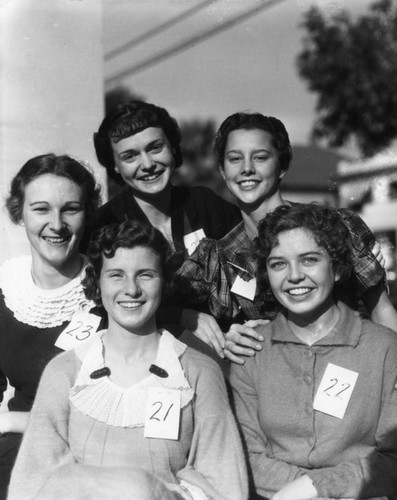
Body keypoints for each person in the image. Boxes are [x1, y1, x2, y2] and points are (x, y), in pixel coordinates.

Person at [8, 221, 248, 500]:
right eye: (116, 275)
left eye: (145, 275)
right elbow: (33, 481)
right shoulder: (64, 372)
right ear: (97, 282)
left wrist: (150, 492)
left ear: (165, 281)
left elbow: (224, 482)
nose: (131, 289)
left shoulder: (198, 372)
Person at [174, 112, 396, 363]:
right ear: (223, 172)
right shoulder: (218, 257)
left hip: (350, 370)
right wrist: (218, 331)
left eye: (260, 157)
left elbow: (382, 310)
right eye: (235, 159)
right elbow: (157, 307)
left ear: (282, 167)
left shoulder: (337, 227)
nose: (246, 168)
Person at [230, 203, 397, 500]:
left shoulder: (383, 348)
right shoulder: (251, 352)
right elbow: (246, 456)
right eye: (279, 264)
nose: (294, 276)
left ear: (336, 270)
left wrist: (314, 487)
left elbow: (392, 459)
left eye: (309, 260)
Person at [0, 153, 103, 499]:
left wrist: (13, 421)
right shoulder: (5, 288)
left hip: (92, 455)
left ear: (87, 213)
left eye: (70, 209)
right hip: (16, 453)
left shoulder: (111, 290)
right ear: (20, 213)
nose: (56, 224)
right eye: (41, 209)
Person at [81, 100, 241, 262]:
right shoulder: (104, 225)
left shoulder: (204, 203)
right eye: (130, 156)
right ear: (114, 165)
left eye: (155, 148)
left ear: (172, 146)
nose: (148, 164)